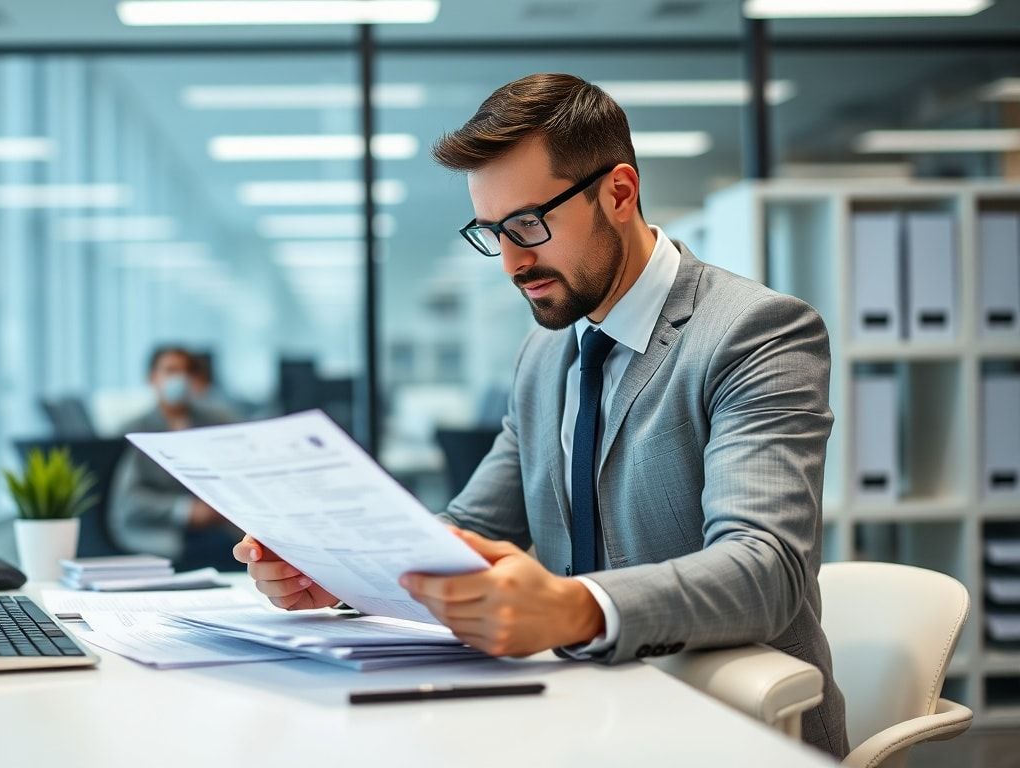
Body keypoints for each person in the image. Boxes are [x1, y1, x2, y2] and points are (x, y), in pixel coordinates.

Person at [234, 73, 847, 758]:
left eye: (528, 224)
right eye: (493, 232)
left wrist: (573, 608)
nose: (512, 262)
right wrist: (342, 572)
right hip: (580, 718)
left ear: (619, 193)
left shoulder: (755, 333)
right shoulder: (545, 355)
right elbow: (468, 531)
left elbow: (765, 571)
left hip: (724, 730)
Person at [109, 345, 241, 570]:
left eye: (187, 371)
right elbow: (129, 501)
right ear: (152, 378)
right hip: (164, 533)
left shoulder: (217, 420)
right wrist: (186, 510)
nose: (179, 378)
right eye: (170, 370)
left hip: (220, 527)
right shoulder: (134, 430)